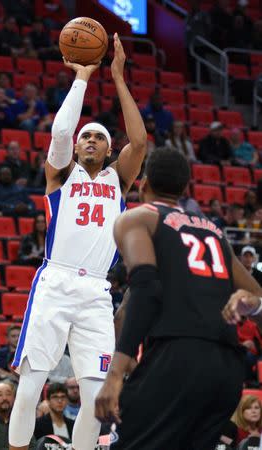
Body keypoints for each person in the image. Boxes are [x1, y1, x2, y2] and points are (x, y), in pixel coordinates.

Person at [8, 33, 147, 450]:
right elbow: (62, 131)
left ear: (108, 151)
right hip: (56, 281)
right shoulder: (61, 177)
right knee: (30, 387)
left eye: (98, 137)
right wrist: (83, 77)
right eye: (85, 136)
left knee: (95, 400)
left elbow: (138, 142)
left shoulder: (117, 179)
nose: (89, 140)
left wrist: (118, 77)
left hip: (96, 292)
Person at [95, 148, 256, 450]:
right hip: (226, 369)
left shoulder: (139, 218)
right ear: (184, 190)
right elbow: (257, 296)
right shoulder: (215, 232)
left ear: (142, 184)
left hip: (178, 358)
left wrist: (116, 374)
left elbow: (144, 289)